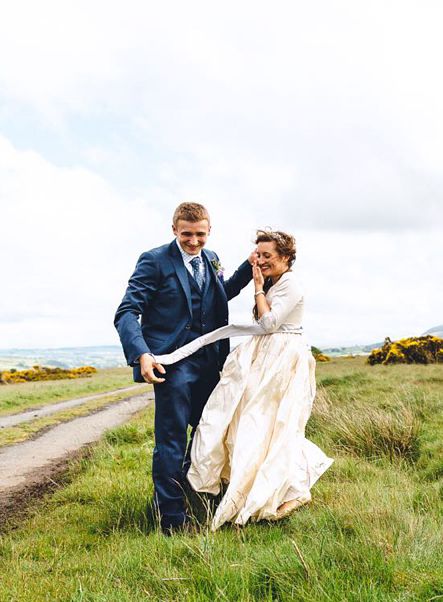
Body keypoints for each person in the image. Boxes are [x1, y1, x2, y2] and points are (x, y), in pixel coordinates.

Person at [153, 229, 332, 530]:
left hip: (281, 361)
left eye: (267, 256)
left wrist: (258, 287)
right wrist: (255, 277)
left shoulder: (289, 284)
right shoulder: (276, 280)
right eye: (257, 255)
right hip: (264, 357)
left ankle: (294, 490)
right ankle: (236, 489)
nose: (260, 261)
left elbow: (269, 322)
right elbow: (227, 292)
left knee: (271, 425)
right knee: (248, 424)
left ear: (286, 257)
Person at [114, 202, 254, 534]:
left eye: (200, 234)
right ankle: (172, 521)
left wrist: (249, 270)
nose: (194, 241)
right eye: (187, 234)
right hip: (171, 365)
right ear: (174, 229)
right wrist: (142, 354)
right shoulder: (154, 260)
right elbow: (127, 311)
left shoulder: (212, 258)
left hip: (210, 363)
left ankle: (188, 501)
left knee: (207, 437)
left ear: (209, 231)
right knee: (172, 441)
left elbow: (219, 294)